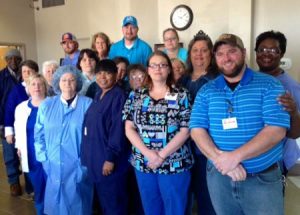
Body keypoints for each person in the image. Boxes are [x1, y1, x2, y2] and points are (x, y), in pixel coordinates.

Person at [190, 33, 290, 215]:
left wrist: (234, 157)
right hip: (220, 179)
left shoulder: (270, 85)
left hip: (262, 180)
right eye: (220, 53)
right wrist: (222, 160)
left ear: (243, 53)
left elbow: (276, 131)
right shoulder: (206, 90)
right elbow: (196, 130)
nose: (226, 58)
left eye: (232, 51)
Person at [123, 50, 194, 215]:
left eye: (163, 65)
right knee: (151, 209)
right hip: (144, 163)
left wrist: (161, 155)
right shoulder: (136, 95)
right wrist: (149, 154)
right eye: (153, 65)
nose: (158, 69)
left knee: (175, 209)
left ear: (169, 69)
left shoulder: (182, 95)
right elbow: (129, 128)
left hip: (174, 164)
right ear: (148, 70)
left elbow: (186, 130)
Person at [34, 65, 93, 215]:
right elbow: (38, 135)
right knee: (55, 206)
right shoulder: (46, 105)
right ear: (57, 83)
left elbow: (92, 139)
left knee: (78, 206)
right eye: (64, 80)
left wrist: (84, 167)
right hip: (52, 165)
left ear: (78, 83)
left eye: (72, 80)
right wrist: (44, 159)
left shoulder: (88, 104)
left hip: (78, 166)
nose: (67, 83)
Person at [81, 59, 130, 215]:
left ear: (116, 76)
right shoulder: (98, 94)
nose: (103, 77)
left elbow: (118, 129)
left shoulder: (118, 96)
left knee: (114, 203)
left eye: (108, 73)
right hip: (96, 158)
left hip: (109, 160)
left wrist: (110, 158)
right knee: (103, 202)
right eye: (99, 73)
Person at [180, 30, 217, 215]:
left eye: (204, 50)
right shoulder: (182, 80)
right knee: (184, 195)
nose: (199, 54)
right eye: (195, 50)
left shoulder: (216, 81)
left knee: (206, 197)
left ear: (211, 54)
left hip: (205, 149)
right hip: (180, 148)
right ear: (189, 54)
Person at [255, 30, 300, 175]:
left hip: (278, 160)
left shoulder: (291, 87)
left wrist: (293, 112)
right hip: (251, 155)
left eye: (273, 50)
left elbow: (295, 133)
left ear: (281, 54)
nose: (266, 54)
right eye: (262, 49)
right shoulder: (249, 80)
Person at [4, 60, 39, 196]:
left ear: (36, 72)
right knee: (25, 158)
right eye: (24, 71)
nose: (27, 74)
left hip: (38, 131)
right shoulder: (17, 89)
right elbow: (9, 111)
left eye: (30, 71)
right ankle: (30, 188)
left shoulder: (41, 85)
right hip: (23, 131)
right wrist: (9, 132)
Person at [14, 74, 47, 215]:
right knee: (39, 188)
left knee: (52, 187)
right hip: (31, 155)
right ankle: (41, 212)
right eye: (33, 84)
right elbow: (18, 129)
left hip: (50, 154)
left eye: (40, 84)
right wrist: (19, 147)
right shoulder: (21, 108)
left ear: (46, 87)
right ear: (28, 88)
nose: (37, 87)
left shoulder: (53, 104)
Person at [0, 49, 23, 196]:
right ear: (6, 60)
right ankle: (14, 182)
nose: (13, 61)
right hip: (6, 121)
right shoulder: (1, 77)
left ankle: (30, 181)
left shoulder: (25, 73)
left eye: (16, 58)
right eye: (10, 59)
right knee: (10, 154)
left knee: (25, 152)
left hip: (23, 120)